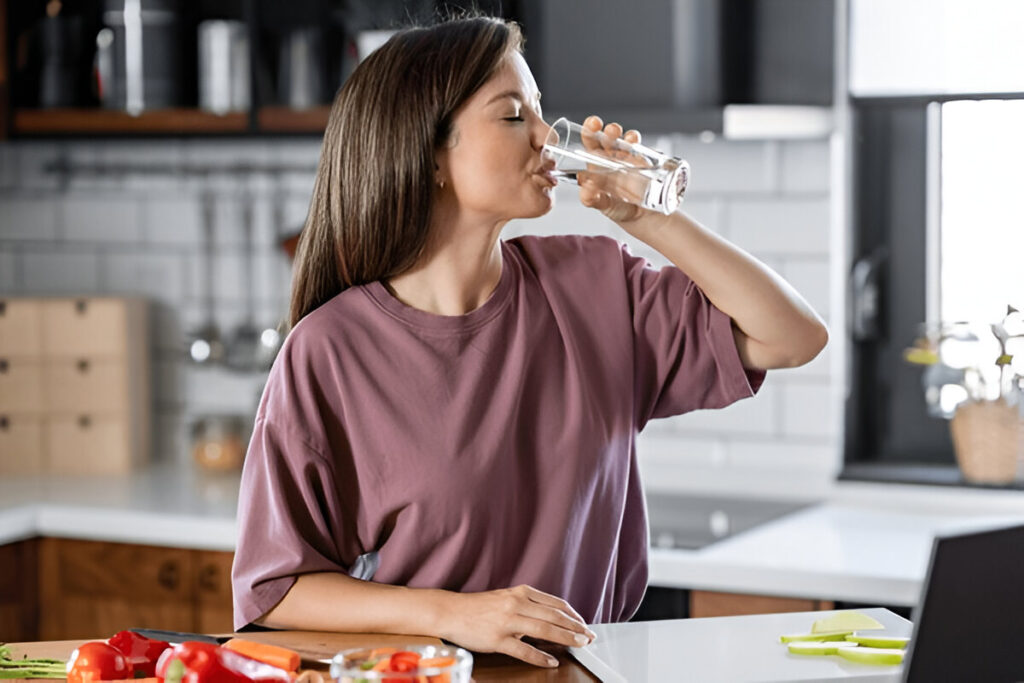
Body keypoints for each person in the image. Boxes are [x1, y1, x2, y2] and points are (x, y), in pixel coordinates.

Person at [231, 15, 828, 669]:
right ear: (431, 151)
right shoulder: (331, 351)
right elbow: (276, 590)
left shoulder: (595, 284)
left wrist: (651, 217)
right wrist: (453, 612)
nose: (549, 139)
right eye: (515, 116)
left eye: (541, 113)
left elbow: (793, 335)